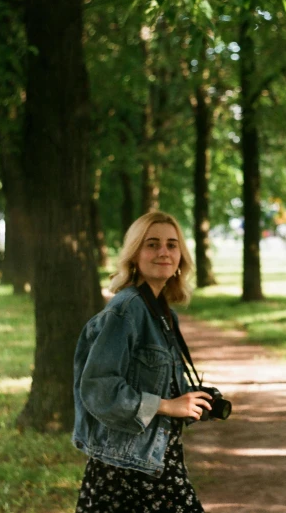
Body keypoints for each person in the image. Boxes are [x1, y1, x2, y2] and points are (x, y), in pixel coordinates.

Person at [72, 211, 210, 513]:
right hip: (125, 471)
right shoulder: (127, 309)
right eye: (152, 244)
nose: (164, 252)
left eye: (172, 245)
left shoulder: (162, 312)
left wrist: (189, 402)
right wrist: (166, 405)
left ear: (181, 257)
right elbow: (98, 388)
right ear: (134, 254)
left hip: (157, 462)